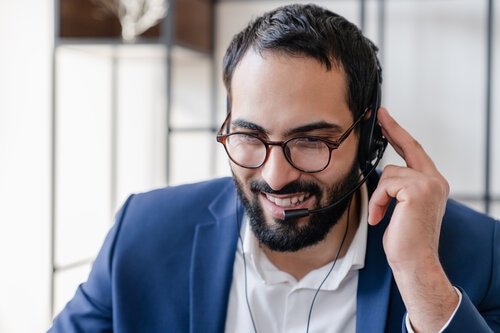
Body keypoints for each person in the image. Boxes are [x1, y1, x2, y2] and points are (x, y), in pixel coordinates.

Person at [48, 3, 500, 332]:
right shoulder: (144, 232)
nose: (276, 177)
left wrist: (422, 281)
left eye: (309, 142)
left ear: (368, 139)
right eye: (250, 137)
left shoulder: (477, 254)